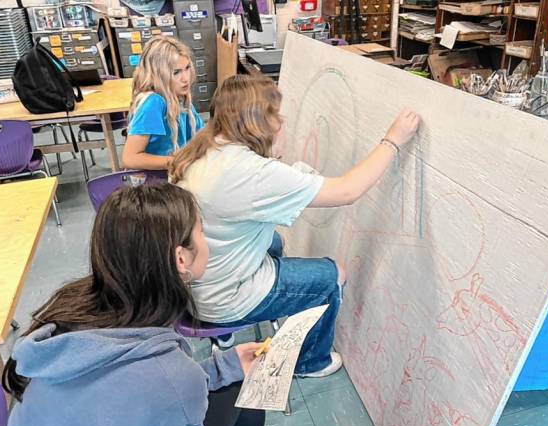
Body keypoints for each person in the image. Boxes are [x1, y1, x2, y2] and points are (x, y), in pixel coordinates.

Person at [169, 74, 421, 378]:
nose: (282, 119)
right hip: (222, 298)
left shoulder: (202, 150)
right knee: (332, 276)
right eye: (274, 113)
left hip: (193, 287)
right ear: (256, 122)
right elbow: (347, 191)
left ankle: (224, 334)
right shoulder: (254, 174)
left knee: (274, 242)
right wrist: (393, 139)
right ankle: (310, 362)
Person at [4, 184, 265, 426]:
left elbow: (140, 390)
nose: (206, 238)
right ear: (181, 258)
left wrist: (226, 366)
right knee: (251, 408)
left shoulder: (76, 305)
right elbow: (160, 387)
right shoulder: (168, 376)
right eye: (202, 231)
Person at [122, 36, 204, 171]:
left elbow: (200, 135)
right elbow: (130, 158)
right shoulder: (153, 102)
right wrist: (175, 161)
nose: (185, 78)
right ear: (159, 75)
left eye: (187, 68)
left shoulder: (180, 98)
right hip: (154, 183)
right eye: (176, 72)